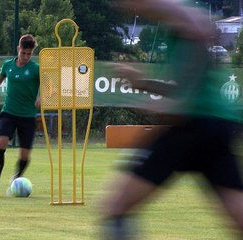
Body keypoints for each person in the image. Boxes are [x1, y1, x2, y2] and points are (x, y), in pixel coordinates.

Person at [99, 0, 243, 239]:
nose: (124, 6)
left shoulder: (173, 9)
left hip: (191, 127)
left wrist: (179, 103)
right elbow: (182, 85)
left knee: (116, 207)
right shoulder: (171, 18)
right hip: (213, 124)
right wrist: (143, 84)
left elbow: (197, 28)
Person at [0, 34, 40, 195]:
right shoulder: (8, 65)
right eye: (23, 52)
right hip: (9, 112)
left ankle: (17, 178)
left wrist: (42, 98)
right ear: (18, 49)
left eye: (29, 54)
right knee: (1, 143)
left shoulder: (35, 69)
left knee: (25, 154)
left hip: (28, 115)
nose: (25, 56)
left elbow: (50, 86)